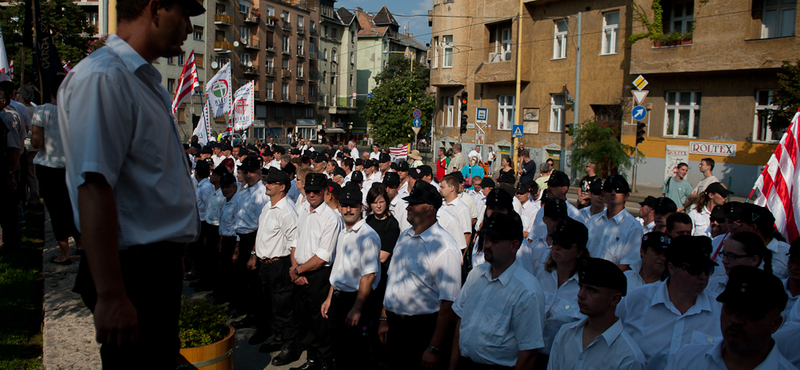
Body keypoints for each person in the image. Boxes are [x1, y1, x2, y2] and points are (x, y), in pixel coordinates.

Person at [58, 0, 205, 367]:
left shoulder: (142, 81)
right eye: (184, 15)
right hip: (132, 272)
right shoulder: (106, 77)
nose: (188, 28)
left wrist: (174, 251)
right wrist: (110, 294)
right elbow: (94, 186)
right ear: (155, 10)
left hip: (153, 268)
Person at [379, 181, 462, 370]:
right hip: (396, 325)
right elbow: (393, 281)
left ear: (430, 209)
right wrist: (384, 318)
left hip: (421, 330)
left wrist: (434, 348)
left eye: (414, 204)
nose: (408, 208)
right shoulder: (404, 236)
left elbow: (449, 303)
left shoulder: (444, 247)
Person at [450, 212, 545, 370]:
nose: (486, 245)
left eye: (494, 241)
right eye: (486, 239)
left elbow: (528, 352)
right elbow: (461, 323)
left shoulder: (527, 291)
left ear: (514, 246)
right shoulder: (476, 274)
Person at [616, 236, 722, 370]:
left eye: (708, 270)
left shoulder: (720, 309)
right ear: (672, 268)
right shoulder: (637, 299)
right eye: (694, 270)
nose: (703, 277)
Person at [665, 266, 793, 370]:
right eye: (730, 309)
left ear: (776, 324)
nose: (736, 320)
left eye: (750, 314)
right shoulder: (687, 359)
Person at [321, 185, 381, 370]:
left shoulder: (367, 236)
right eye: (344, 205)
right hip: (339, 299)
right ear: (339, 206)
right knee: (339, 350)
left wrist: (357, 308)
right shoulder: (344, 232)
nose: (348, 210)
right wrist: (330, 297)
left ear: (361, 208)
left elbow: (368, 275)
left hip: (356, 300)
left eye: (353, 206)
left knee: (356, 353)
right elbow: (338, 268)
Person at [548, 258, 647, 370]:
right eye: (581, 287)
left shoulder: (628, 357)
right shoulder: (565, 334)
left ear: (615, 299)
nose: (580, 295)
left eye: (592, 290)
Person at [289, 173, 343, 370]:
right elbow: (295, 241)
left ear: (324, 192)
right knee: (304, 320)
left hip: (318, 276)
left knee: (320, 324)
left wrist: (298, 270)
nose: (311, 194)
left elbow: (323, 257)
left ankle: (326, 363)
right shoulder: (304, 210)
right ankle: (311, 360)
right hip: (299, 273)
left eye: (316, 191)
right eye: (308, 190)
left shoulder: (331, 218)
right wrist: (295, 269)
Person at [252, 168, 302, 366]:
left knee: (283, 308)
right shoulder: (268, 206)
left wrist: (293, 268)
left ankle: (290, 346)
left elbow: (294, 242)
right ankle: (279, 338)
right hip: (265, 264)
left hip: (279, 264)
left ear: (282, 187)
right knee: (272, 306)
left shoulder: (287, 211)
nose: (267, 184)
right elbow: (262, 234)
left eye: (271, 183)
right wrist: (254, 255)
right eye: (267, 182)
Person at [31, 74, 81, 264]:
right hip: (72, 166)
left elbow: (36, 143)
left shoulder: (42, 111)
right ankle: (81, 245)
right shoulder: (78, 111)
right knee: (73, 206)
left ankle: (64, 254)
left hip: (49, 167)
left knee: (56, 209)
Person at [534, 218, 590, 364]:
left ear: (579, 252)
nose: (557, 248)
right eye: (555, 242)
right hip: (533, 355)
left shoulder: (586, 288)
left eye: (564, 244)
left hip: (564, 361)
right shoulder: (542, 275)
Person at [586, 175, 643, 271]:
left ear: (626, 196)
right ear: (603, 194)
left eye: (618, 190)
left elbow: (628, 265)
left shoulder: (633, 227)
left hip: (612, 283)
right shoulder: (592, 221)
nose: (613, 193)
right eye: (609, 189)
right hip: (586, 278)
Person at [706, 231, 772, 296]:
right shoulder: (711, 285)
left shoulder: (767, 292)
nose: (724, 261)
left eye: (731, 256)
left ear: (754, 260)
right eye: (723, 254)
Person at [365, 184, 401, 299]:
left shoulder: (392, 224)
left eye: (381, 202)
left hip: (381, 273)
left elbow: (382, 256)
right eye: (375, 203)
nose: (378, 206)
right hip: (365, 272)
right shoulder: (369, 220)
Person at [737, 203, 790, 280]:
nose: (738, 229)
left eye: (741, 225)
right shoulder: (739, 250)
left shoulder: (786, 253)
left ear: (753, 228)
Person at [440, 174, 473, 247]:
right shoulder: (440, 204)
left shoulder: (462, 209)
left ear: (452, 188)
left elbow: (466, 235)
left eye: (442, 187)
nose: (440, 189)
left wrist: (461, 257)